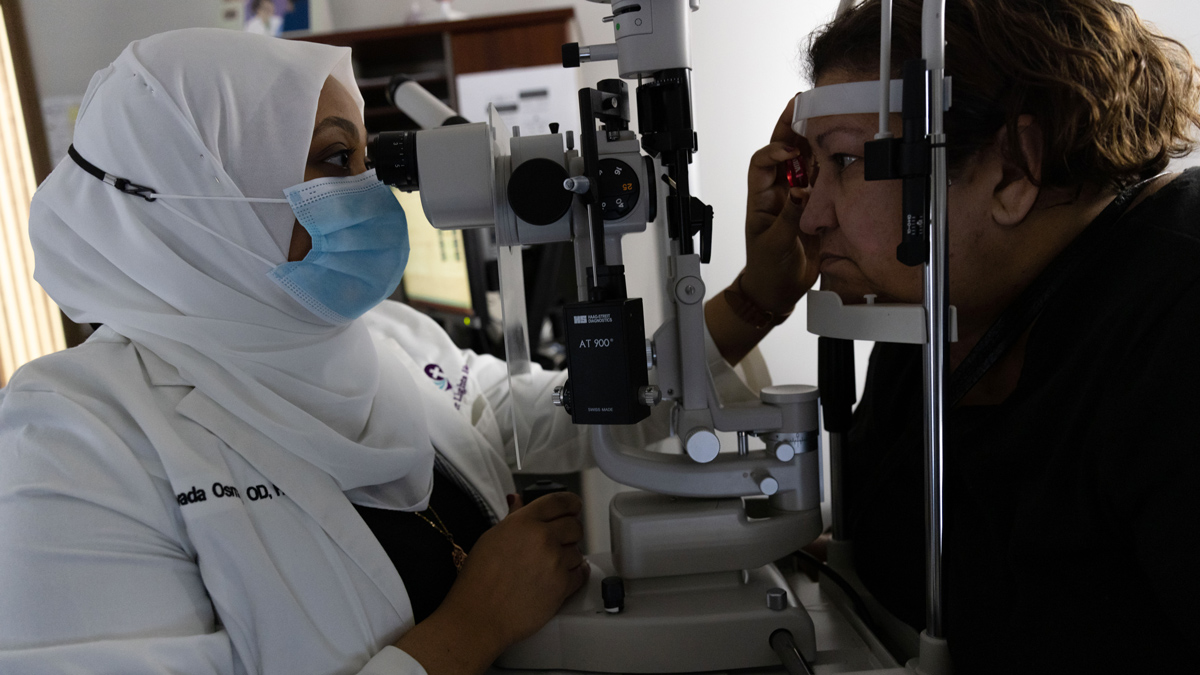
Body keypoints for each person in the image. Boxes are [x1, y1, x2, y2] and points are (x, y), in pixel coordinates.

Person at [0, 28, 612, 675]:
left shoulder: (374, 336)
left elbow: (520, 406)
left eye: (365, 159)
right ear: (203, 194)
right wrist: (473, 625)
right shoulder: (72, 437)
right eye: (336, 159)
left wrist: (730, 310)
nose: (372, 189)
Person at [706, 0, 1200, 671]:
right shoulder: (939, 311)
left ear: (1013, 169)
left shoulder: (1173, 319)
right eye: (811, 170)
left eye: (846, 161)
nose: (812, 214)